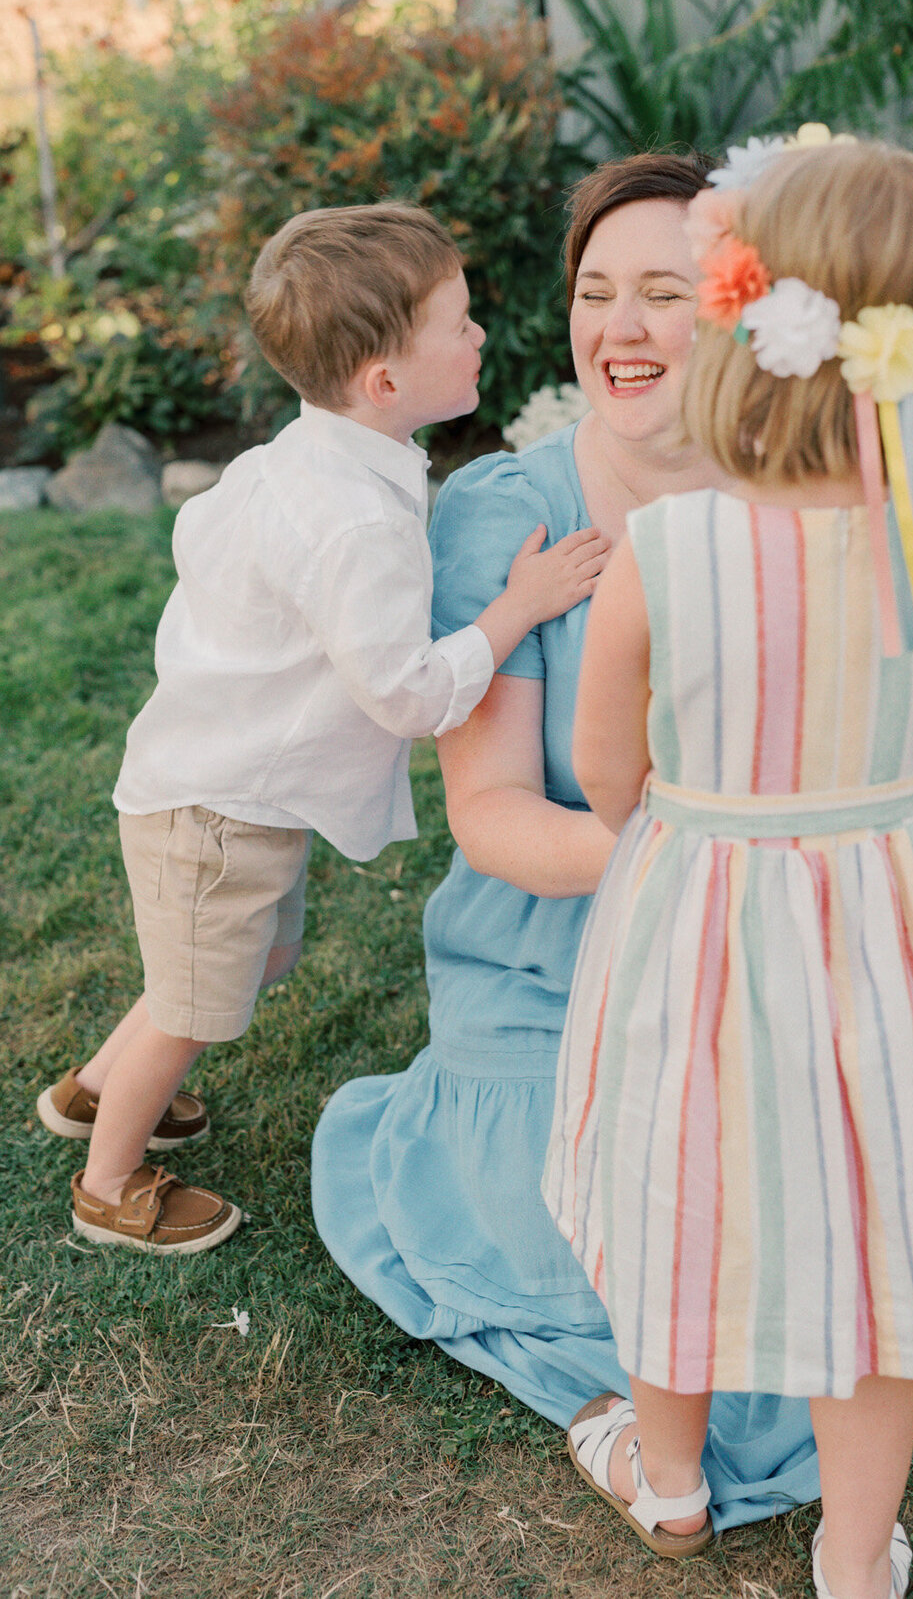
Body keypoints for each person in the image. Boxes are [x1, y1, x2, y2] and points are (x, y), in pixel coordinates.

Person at [543, 136, 913, 1594]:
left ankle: (671, 1478)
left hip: (703, 917)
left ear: (742, 327)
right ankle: (856, 1556)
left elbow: (606, 765)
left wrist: (673, 818)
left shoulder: (664, 548)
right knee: (879, 1238)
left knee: (686, 1191)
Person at [313, 155, 825, 1528]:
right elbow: (491, 820)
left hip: (775, 960)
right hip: (559, 974)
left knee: (819, 1263)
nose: (620, 326)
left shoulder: (805, 496)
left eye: (665, 290)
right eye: (597, 291)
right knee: (642, 1284)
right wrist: (713, 857)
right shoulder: (510, 515)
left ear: (740, 313)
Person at [36, 203, 607, 1253]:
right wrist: (514, 611)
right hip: (217, 810)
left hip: (222, 785)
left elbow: (200, 533)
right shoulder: (355, 521)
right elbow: (408, 695)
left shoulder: (304, 462)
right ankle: (109, 1181)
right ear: (385, 381)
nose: (479, 336)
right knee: (197, 1002)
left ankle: (99, 1089)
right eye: (460, 323)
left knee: (243, 963)